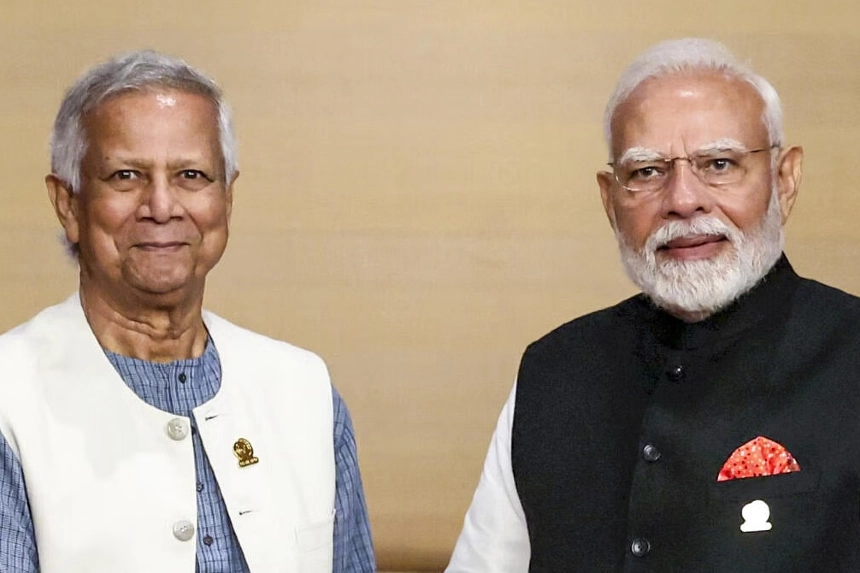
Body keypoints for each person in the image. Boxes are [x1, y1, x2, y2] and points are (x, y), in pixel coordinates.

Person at [446, 37, 860, 571]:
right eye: (646, 172)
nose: (684, 200)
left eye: (719, 163)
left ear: (785, 181)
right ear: (609, 200)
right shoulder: (555, 371)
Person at [0, 50, 375, 572]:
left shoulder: (304, 389)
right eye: (126, 175)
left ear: (227, 198)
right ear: (68, 204)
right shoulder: (9, 395)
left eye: (192, 176)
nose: (161, 206)